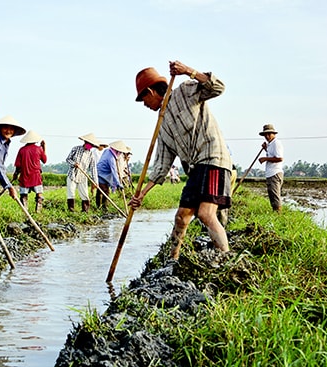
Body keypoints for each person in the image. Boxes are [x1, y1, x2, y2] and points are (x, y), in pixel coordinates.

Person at [130, 61, 232, 260]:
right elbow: (162, 164)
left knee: (206, 214)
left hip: (213, 158)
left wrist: (189, 71)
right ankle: (172, 260)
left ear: (150, 92)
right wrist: (142, 194)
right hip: (195, 168)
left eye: (144, 101)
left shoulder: (185, 92)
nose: (145, 106)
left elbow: (218, 87)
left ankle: (226, 261)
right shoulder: (162, 123)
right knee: (181, 216)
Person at [65, 133, 102, 212]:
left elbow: (93, 168)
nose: (89, 146)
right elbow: (68, 159)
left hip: (83, 176)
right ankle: (71, 210)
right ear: (85, 142)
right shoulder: (76, 149)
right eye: (88, 144)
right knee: (71, 192)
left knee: (84, 194)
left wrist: (95, 181)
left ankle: (85, 210)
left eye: (91, 145)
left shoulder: (91, 154)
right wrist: (74, 164)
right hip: (72, 174)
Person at [12, 130, 47, 213]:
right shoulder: (39, 149)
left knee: (24, 195)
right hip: (36, 175)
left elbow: (18, 165)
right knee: (39, 194)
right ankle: (38, 211)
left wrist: (16, 174)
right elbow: (44, 160)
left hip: (25, 175)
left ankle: (25, 211)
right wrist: (44, 148)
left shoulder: (22, 150)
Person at [258, 124, 284, 212]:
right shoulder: (270, 144)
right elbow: (272, 155)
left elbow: (279, 158)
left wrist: (265, 158)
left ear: (274, 134)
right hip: (270, 173)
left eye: (269, 134)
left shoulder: (276, 143)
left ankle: (278, 214)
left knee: (275, 196)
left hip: (274, 173)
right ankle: (275, 213)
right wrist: (266, 149)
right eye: (265, 135)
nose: (267, 136)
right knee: (272, 196)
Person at [96, 140, 128, 211]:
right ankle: (102, 207)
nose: (120, 153)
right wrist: (118, 183)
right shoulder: (111, 158)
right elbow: (114, 171)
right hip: (101, 173)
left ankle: (102, 207)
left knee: (103, 190)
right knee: (104, 190)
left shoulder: (108, 151)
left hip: (106, 174)